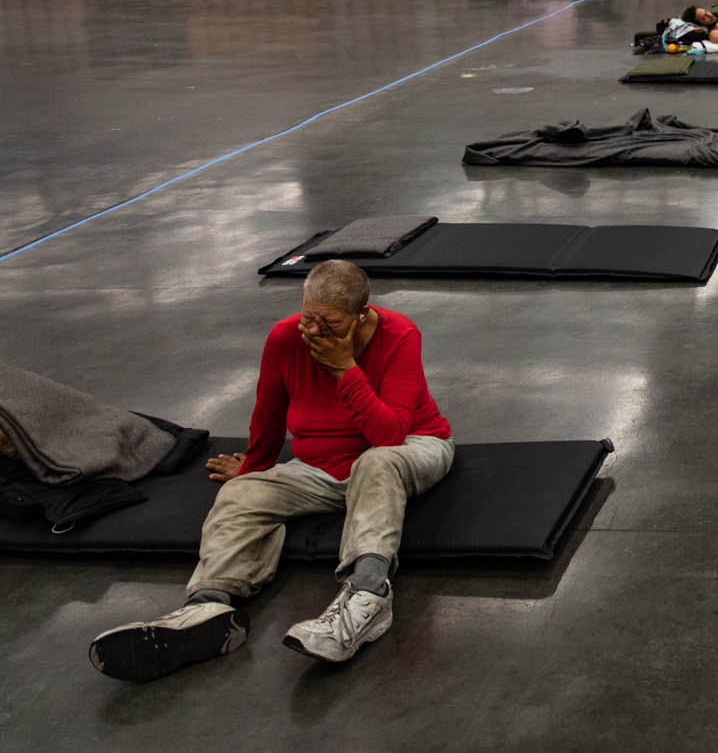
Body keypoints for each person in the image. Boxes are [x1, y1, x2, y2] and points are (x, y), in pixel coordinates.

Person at [88, 261, 452, 681]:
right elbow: (269, 411)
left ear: (361, 314)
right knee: (243, 493)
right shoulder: (284, 337)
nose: (313, 331)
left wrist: (343, 368)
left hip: (410, 447)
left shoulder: (399, 334)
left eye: (329, 322)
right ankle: (209, 606)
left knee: (376, 461)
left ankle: (368, 595)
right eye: (308, 318)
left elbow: (388, 435)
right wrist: (255, 464)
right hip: (322, 466)